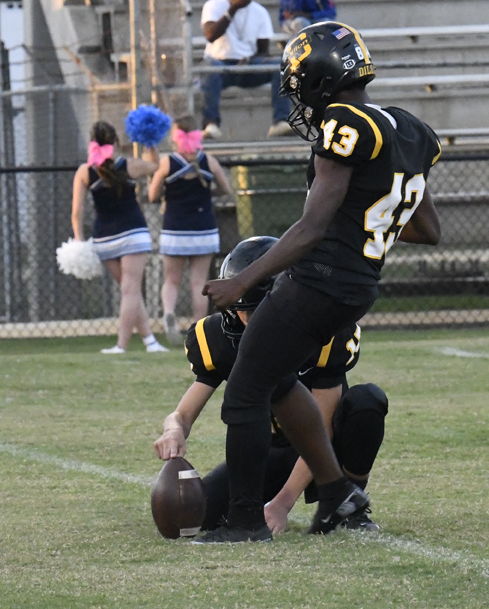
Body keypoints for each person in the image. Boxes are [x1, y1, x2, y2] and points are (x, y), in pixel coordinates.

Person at [196, 21, 442, 543]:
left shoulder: (343, 121)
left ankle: (245, 521)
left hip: (320, 280)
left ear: (320, 79)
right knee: (278, 379)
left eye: (298, 83)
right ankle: (337, 496)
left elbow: (311, 227)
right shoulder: (407, 127)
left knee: (245, 391)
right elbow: (427, 228)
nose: (298, 98)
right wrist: (369, 221)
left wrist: (243, 281)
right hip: (358, 285)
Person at [153, 237, 388, 533]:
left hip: (326, 450)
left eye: (260, 310)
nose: (251, 321)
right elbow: (183, 414)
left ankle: (348, 504)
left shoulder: (327, 331)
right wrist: (174, 429)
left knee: (366, 402)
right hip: (276, 449)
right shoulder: (219, 337)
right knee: (204, 513)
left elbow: (322, 428)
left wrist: (282, 504)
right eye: (243, 310)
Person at [71, 121, 169, 355]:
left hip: (105, 238)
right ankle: (124, 345)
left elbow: (76, 212)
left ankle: (148, 342)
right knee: (130, 291)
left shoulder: (85, 171)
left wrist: (79, 239)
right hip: (133, 233)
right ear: (115, 142)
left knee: (129, 291)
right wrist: (150, 143)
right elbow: (156, 166)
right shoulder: (130, 165)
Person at [147, 115, 234, 344]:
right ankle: (199, 330)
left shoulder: (168, 162)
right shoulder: (209, 161)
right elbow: (226, 189)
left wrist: (166, 193)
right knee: (199, 282)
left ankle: (169, 312)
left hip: (175, 230)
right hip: (204, 229)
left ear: (175, 136)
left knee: (171, 280)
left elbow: (152, 195)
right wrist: (208, 193)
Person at [200, 0, 293, 140]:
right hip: (221, 65)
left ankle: (280, 121)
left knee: (281, 65)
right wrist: (233, 8)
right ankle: (211, 124)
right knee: (209, 67)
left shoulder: (260, 11)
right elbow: (210, 35)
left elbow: (263, 51)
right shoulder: (213, 5)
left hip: (248, 66)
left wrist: (250, 59)